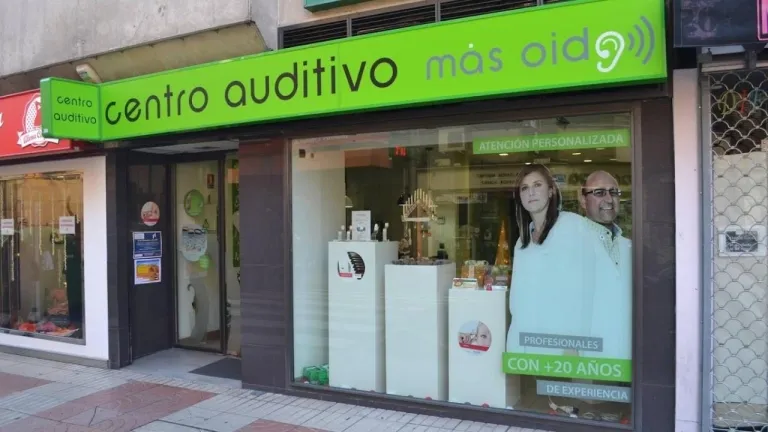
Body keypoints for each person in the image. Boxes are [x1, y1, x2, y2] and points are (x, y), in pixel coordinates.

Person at [506, 164, 595, 354]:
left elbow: (587, 292)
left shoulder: (573, 227)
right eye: (524, 188)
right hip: (525, 346)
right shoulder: (522, 242)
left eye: (537, 185)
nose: (531, 192)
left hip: (562, 347)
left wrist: (575, 343)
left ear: (551, 191)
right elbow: (518, 302)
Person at [578, 171, 632, 360]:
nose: (609, 199)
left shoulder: (629, 247)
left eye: (614, 192)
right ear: (583, 200)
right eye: (599, 192)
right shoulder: (570, 243)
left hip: (626, 357)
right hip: (586, 358)